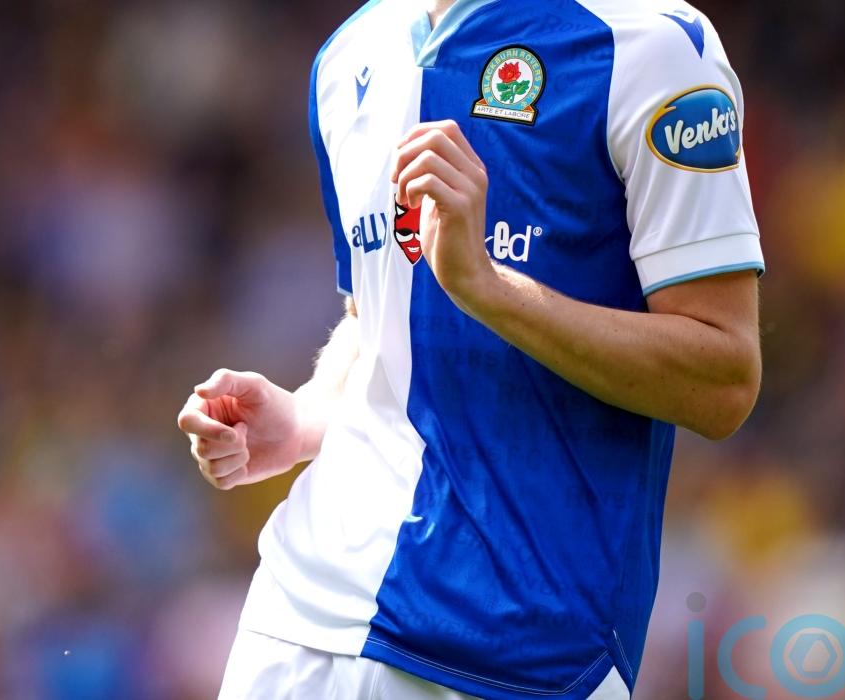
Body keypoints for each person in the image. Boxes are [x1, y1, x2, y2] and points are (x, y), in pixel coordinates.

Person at [177, 0, 764, 697]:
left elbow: (723, 379)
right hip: (299, 613)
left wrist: (489, 288)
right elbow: (381, 317)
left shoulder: (653, 45)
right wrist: (308, 417)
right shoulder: (348, 54)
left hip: (515, 653)